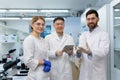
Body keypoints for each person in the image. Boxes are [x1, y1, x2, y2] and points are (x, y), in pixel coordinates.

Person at [77, 9, 110, 80]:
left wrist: (90, 52)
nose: (90, 21)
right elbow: (80, 54)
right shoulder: (83, 35)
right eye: (88, 19)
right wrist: (78, 52)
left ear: (98, 19)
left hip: (97, 73)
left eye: (93, 18)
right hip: (85, 72)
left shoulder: (104, 34)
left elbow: (104, 51)